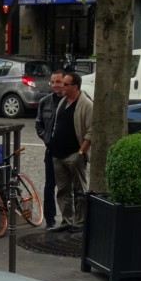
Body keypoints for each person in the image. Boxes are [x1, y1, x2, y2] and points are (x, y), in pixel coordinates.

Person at [49, 71, 93, 235]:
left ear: (75, 86)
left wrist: (80, 153)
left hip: (74, 155)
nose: (62, 86)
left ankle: (79, 222)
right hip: (58, 154)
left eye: (66, 84)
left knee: (79, 190)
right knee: (62, 190)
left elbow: (90, 132)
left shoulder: (86, 105)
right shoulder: (63, 102)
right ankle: (66, 221)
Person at [35, 71, 66, 230]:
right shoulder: (45, 102)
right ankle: (50, 220)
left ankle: (69, 219)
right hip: (51, 150)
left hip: (68, 150)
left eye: (58, 82)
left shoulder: (70, 101)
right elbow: (38, 124)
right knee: (49, 185)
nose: (55, 85)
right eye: (53, 82)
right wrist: (46, 138)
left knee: (67, 186)